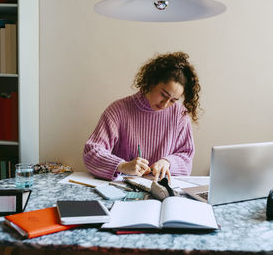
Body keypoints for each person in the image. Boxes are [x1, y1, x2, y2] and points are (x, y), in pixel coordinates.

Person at [83, 51, 201, 181]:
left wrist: (168, 162)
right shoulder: (119, 110)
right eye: (164, 95)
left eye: (173, 100)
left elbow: (186, 157)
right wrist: (122, 166)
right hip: (124, 190)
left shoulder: (179, 114)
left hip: (162, 191)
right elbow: (91, 152)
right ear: (151, 82)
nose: (165, 104)